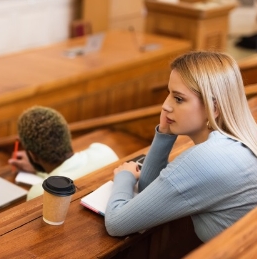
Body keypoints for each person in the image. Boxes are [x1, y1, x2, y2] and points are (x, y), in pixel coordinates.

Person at [104, 51, 257, 243]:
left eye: (178, 99)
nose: (165, 106)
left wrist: (124, 177)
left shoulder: (205, 160)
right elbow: (150, 192)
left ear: (214, 108)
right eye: (169, 94)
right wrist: (165, 134)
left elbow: (117, 224)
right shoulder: (245, 138)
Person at [8, 106, 119, 200]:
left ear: (32, 155)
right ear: (66, 135)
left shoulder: (40, 192)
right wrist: (39, 171)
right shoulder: (103, 152)